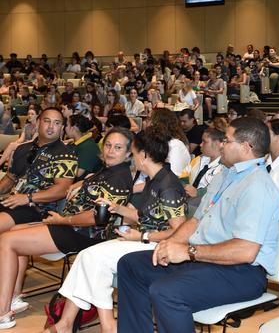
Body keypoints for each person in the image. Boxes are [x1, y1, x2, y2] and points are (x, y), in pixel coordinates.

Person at [116, 117, 279, 332]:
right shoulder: (225, 175)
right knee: (130, 265)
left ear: (246, 147)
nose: (221, 144)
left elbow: (246, 251)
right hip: (206, 261)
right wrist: (170, 244)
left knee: (166, 292)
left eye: (226, 140)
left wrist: (189, 252)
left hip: (242, 273)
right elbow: (195, 221)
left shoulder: (258, 186)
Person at [48, 127, 187, 333]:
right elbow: (148, 217)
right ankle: (67, 324)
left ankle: (106, 325)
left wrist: (142, 235)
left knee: (96, 258)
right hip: (144, 239)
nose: (132, 157)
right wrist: (117, 208)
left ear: (144, 155)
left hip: (158, 246)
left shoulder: (167, 186)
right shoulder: (154, 179)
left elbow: (180, 231)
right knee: (87, 256)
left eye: (134, 151)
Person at [0, 128, 134, 330]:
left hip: (83, 234)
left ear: (129, 153)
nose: (110, 151)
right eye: (108, 145)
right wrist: (82, 182)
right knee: (13, 234)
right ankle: (14, 296)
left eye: (118, 147)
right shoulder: (108, 170)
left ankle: (3, 312)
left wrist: (63, 220)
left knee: (7, 241)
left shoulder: (119, 177)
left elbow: (96, 218)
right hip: (71, 226)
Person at [0, 108, 77, 234]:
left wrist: (28, 198)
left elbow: (63, 189)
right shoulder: (22, 148)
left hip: (37, 210)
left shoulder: (65, 155)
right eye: (47, 121)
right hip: (12, 202)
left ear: (62, 128)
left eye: (57, 123)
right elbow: (9, 179)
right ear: (38, 122)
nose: (51, 126)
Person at [181, 127, 225, 208]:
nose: (200, 144)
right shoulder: (198, 159)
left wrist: (197, 192)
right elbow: (182, 177)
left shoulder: (224, 167)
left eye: (204, 141)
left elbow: (219, 191)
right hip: (187, 200)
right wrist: (186, 186)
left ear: (217, 144)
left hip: (206, 205)